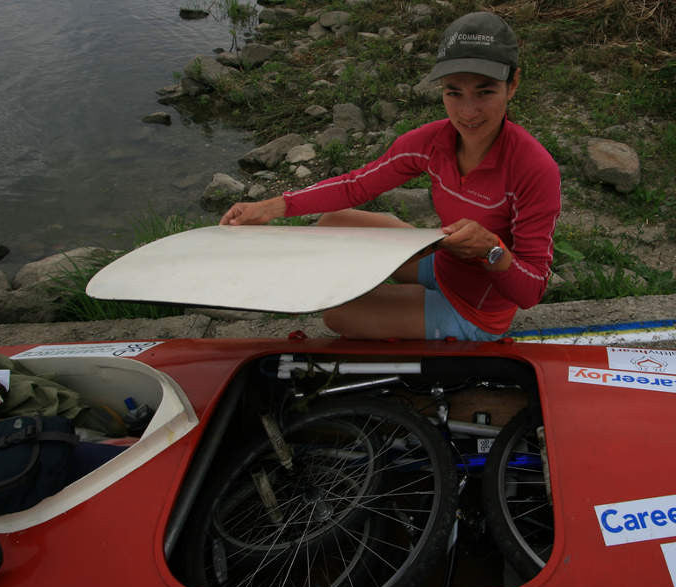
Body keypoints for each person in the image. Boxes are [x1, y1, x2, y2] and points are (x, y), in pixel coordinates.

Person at [220, 11, 561, 341]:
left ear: (512, 84)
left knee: (337, 315)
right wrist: (269, 207)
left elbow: (531, 290)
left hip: (475, 309)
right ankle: (398, 296)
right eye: (453, 92)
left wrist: (492, 249)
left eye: (485, 92)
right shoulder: (432, 142)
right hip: (441, 263)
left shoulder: (533, 168)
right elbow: (357, 185)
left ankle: (407, 305)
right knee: (335, 222)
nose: (468, 112)